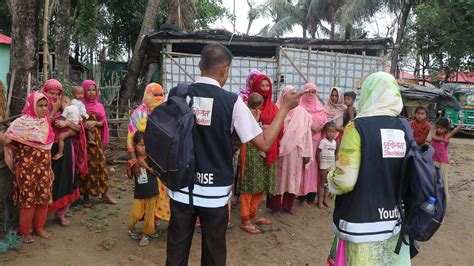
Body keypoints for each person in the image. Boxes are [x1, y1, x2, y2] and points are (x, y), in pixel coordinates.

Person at [165, 43, 303, 266]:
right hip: (215, 192)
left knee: (176, 250)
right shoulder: (232, 102)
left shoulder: (176, 94)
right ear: (225, 70)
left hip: (181, 187)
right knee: (214, 251)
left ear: (200, 65)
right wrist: (285, 108)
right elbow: (265, 143)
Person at [327, 72, 411, 265]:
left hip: (362, 223)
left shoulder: (357, 128)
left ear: (368, 94)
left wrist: (331, 176)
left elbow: (345, 181)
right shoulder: (405, 128)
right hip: (395, 221)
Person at [3, 92, 55, 243]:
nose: (44, 108)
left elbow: (47, 147)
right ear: (32, 105)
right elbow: (7, 139)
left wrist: (50, 168)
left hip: (44, 167)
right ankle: (25, 231)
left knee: (43, 198)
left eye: (46, 105)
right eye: (40, 105)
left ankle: (39, 227)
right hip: (27, 168)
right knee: (28, 200)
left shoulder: (45, 123)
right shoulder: (20, 123)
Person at [238, 74, 282, 234]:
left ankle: (253, 213)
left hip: (269, 148)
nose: (265, 89)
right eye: (261, 86)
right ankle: (245, 218)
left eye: (267, 86)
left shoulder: (273, 107)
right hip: (251, 149)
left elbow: (280, 127)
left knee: (261, 183)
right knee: (250, 183)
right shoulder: (243, 106)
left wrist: (270, 129)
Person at [41, 79, 82, 227]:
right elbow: (42, 126)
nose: (54, 97)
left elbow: (79, 128)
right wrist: (53, 109)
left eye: (57, 94)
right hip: (46, 148)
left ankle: (61, 213)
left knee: (66, 178)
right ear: (44, 92)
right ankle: (41, 216)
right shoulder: (39, 106)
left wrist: (67, 123)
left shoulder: (69, 107)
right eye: (51, 93)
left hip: (66, 147)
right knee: (48, 181)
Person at [127, 82, 170, 221]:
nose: (158, 98)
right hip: (143, 161)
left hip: (161, 160)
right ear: (147, 95)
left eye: (160, 94)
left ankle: (156, 221)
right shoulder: (138, 114)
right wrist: (135, 161)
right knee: (147, 191)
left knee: (163, 191)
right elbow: (131, 138)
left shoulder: (165, 112)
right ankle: (148, 224)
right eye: (155, 94)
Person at [272, 85, 313, 215]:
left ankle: (288, 206)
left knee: (293, 178)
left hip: (295, 152)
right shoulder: (277, 110)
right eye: (291, 94)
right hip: (279, 151)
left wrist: (306, 153)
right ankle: (275, 206)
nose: (294, 97)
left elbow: (306, 135)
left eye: (296, 94)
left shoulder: (303, 114)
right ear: (284, 97)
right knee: (278, 179)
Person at [80, 80, 116, 208]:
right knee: (86, 168)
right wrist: (85, 125)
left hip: (97, 142)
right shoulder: (80, 106)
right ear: (84, 91)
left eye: (93, 90)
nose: (91, 92)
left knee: (101, 166)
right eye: (88, 90)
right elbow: (75, 121)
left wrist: (95, 123)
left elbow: (103, 123)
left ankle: (104, 194)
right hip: (84, 142)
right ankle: (86, 196)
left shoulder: (99, 106)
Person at [297, 82, 327, 206]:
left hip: (317, 143)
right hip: (305, 142)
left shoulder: (320, 108)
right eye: (308, 91)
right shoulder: (300, 107)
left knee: (314, 169)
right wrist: (311, 126)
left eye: (313, 92)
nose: (310, 94)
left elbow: (325, 122)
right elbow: (298, 123)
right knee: (305, 167)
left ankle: (311, 196)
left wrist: (320, 128)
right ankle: (301, 196)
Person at [127, 132, 160, 247]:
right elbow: (130, 177)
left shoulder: (151, 158)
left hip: (152, 191)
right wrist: (129, 167)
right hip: (139, 193)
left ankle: (146, 234)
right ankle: (131, 228)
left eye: (146, 145)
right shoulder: (134, 160)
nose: (144, 148)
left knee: (149, 215)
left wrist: (145, 165)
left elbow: (156, 172)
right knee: (136, 214)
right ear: (135, 145)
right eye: (141, 145)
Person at [427, 117, 462, 200]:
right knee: (432, 179)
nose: (439, 129)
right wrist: (444, 140)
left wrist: (459, 126)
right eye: (438, 127)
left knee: (443, 180)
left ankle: (443, 198)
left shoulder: (447, 136)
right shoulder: (435, 134)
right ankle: (432, 196)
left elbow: (453, 132)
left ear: (446, 129)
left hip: (443, 162)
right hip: (433, 160)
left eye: (441, 128)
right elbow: (433, 138)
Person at [0, 129, 18, 237]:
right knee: (4, 196)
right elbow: (6, 140)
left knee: (6, 195)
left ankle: (6, 226)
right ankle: (5, 227)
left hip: (4, 164)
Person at [52, 96, 81, 160]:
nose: (62, 109)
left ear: (65, 102)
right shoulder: (76, 108)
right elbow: (79, 120)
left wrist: (60, 121)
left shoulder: (67, 108)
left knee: (60, 137)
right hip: (74, 130)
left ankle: (60, 152)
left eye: (61, 107)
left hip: (69, 130)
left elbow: (62, 120)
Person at [316, 122, 337, 209]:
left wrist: (334, 163)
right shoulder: (323, 142)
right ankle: (319, 201)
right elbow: (318, 152)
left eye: (333, 132)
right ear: (325, 132)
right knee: (322, 183)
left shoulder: (335, 142)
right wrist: (319, 163)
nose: (331, 134)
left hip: (331, 166)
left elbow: (334, 153)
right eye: (329, 131)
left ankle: (325, 200)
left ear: (335, 132)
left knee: (328, 183)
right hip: (323, 165)